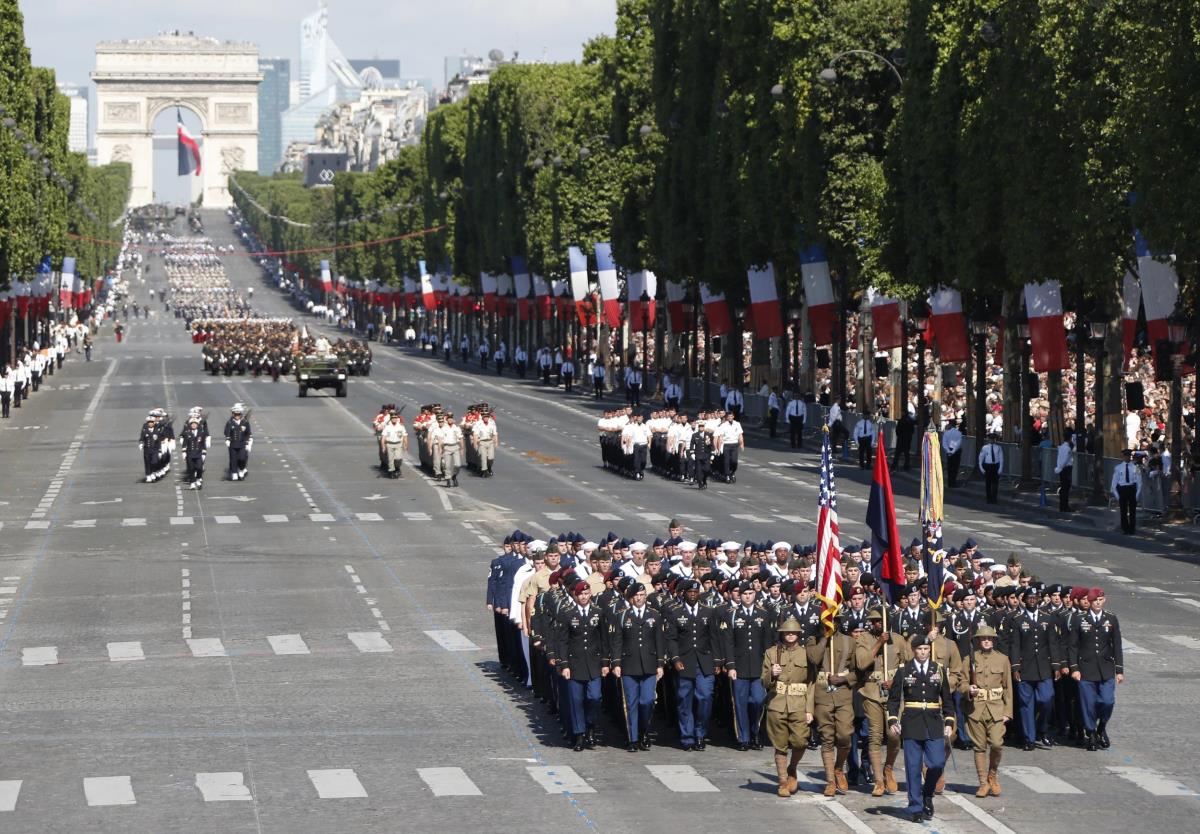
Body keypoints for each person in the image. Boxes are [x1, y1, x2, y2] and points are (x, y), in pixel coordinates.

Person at [886, 633, 956, 822]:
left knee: (937, 763)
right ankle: (915, 807)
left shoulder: (939, 670)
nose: (923, 652)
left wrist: (949, 722)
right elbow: (893, 700)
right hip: (911, 722)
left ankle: (927, 792)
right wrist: (893, 720)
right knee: (913, 767)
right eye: (920, 649)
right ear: (914, 650)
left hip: (933, 721)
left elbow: (947, 700)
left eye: (926, 649)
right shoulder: (904, 670)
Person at [551, 581, 610, 751]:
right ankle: (579, 734)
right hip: (574, 663)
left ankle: (591, 725)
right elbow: (562, 641)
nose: (584, 597)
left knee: (594, 697)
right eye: (581, 594)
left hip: (594, 664)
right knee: (576, 700)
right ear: (575, 596)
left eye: (586, 594)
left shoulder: (598, 612)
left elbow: (604, 639)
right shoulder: (567, 613)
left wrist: (606, 662)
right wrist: (564, 665)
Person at [762, 617, 816, 797]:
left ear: (799, 635)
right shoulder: (771, 652)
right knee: (780, 745)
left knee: (801, 741)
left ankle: (792, 767)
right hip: (777, 703)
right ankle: (783, 781)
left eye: (794, 633)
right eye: (787, 632)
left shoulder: (806, 653)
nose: (790, 635)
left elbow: (811, 683)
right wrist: (772, 673)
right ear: (782, 634)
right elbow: (763, 681)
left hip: (799, 704)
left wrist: (809, 709)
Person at [666, 579, 721, 751]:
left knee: (705, 697)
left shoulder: (708, 612)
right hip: (685, 662)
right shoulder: (675, 612)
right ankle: (687, 737)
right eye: (690, 592)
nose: (693, 595)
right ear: (684, 593)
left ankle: (700, 733)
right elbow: (671, 638)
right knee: (684, 701)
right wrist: (675, 659)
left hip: (705, 662)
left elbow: (714, 637)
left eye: (696, 592)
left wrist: (717, 661)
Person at [610, 582, 666, 751]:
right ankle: (632, 738)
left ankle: (644, 731)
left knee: (647, 701)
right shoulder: (622, 615)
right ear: (631, 598)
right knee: (630, 703)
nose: (639, 598)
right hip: (629, 664)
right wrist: (616, 663)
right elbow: (617, 641)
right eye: (636, 596)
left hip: (649, 665)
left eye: (642, 595)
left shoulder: (654, 615)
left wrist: (660, 664)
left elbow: (659, 641)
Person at [1067, 587, 1123, 751]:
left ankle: (1101, 726)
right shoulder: (1079, 619)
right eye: (1095, 600)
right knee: (1088, 704)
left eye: (1100, 600)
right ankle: (1091, 733)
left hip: (1106, 667)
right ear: (1089, 602)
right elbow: (1073, 646)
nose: (1098, 603)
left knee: (1107, 701)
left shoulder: (1111, 618)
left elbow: (1117, 645)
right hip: (1085, 668)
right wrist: (1074, 668)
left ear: (1104, 600)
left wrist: (1119, 670)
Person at [810, 617, 858, 796]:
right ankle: (830, 780)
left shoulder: (849, 641)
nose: (831, 624)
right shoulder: (813, 639)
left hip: (843, 694)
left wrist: (845, 679)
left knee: (845, 735)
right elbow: (814, 659)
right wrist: (824, 638)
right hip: (822, 694)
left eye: (834, 621)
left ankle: (839, 768)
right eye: (826, 621)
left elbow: (857, 670)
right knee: (827, 738)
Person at [723, 582, 772, 750]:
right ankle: (743, 738)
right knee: (740, 703)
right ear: (739, 596)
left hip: (758, 666)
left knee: (759, 700)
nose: (748, 596)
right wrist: (730, 666)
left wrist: (769, 666)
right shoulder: (732, 614)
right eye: (744, 593)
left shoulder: (763, 614)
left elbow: (768, 642)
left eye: (751, 593)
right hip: (739, 666)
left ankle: (755, 732)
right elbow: (728, 642)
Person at [965, 625, 1012, 798]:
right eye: (983, 638)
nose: (986, 641)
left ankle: (993, 773)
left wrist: (1008, 711)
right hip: (976, 708)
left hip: (996, 708)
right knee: (979, 747)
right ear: (978, 641)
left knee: (997, 744)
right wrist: (968, 689)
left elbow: (1008, 687)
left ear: (993, 640)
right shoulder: (969, 659)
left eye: (989, 638)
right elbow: (961, 682)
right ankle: (983, 782)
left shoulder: (1002, 659)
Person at [1011, 587, 1059, 750]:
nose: (1032, 600)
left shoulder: (1048, 617)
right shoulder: (1017, 619)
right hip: (1025, 667)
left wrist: (1056, 665)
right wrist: (1015, 667)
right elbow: (1015, 645)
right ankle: (1029, 738)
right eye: (1029, 598)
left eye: (1035, 597)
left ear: (1038, 599)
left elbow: (1053, 643)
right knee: (1026, 704)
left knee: (1047, 698)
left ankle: (1042, 727)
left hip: (1044, 667)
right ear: (1024, 600)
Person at [1110, 449, 1142, 534]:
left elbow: (1139, 482)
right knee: (1123, 511)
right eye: (1126, 456)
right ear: (1123, 456)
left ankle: (1132, 529)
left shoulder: (1135, 467)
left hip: (1131, 489)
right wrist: (1117, 496)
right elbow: (1114, 483)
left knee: (1132, 511)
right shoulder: (1118, 468)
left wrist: (1137, 494)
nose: (1128, 457)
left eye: (1129, 456)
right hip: (1122, 489)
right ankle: (1125, 528)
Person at [224, 403, 252, 481]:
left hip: (242, 444)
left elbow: (248, 433)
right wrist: (228, 439)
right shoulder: (230, 422)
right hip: (233, 444)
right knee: (233, 459)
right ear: (233, 414)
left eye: (238, 414)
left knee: (242, 458)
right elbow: (227, 432)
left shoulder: (245, 422)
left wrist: (247, 443)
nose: (237, 416)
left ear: (241, 414)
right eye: (235, 414)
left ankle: (241, 469)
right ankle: (234, 473)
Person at [180, 414, 209, 489]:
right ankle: (192, 482)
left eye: (195, 424)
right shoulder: (187, 433)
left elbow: (203, 443)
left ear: (197, 425)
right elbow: (184, 443)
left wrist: (204, 452)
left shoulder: (201, 433)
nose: (193, 425)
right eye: (192, 424)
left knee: (199, 468)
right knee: (191, 468)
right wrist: (183, 453)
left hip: (198, 454)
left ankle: (199, 478)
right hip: (189, 454)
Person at [438, 412, 464, 487]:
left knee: (458, 464)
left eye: (451, 419)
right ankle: (448, 479)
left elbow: (461, 438)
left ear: (453, 419)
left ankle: (454, 476)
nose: (450, 420)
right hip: (447, 447)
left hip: (455, 446)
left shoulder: (456, 428)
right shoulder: (443, 428)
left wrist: (462, 448)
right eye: (449, 419)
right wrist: (440, 449)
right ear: (447, 420)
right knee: (447, 465)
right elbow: (440, 439)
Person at [380, 412, 409, 479]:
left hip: (398, 444)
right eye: (393, 418)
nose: (394, 419)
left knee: (398, 458)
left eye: (395, 418)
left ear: (397, 418)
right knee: (390, 459)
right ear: (391, 419)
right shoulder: (387, 427)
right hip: (389, 444)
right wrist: (383, 446)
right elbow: (383, 437)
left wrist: (406, 445)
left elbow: (405, 436)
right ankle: (391, 471)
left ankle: (397, 468)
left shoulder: (401, 427)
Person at [978, 434, 1004, 504]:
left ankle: (994, 498)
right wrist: (981, 467)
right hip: (988, 466)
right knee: (988, 483)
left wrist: (1000, 468)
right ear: (988, 439)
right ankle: (988, 498)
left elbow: (1001, 458)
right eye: (990, 439)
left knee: (995, 483)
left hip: (995, 466)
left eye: (993, 439)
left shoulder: (998, 448)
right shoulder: (985, 448)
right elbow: (981, 458)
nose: (992, 440)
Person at [472, 409, 498, 476]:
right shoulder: (478, 424)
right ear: (482, 417)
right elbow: (475, 435)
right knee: (483, 457)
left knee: (490, 458)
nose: (486, 418)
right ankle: (484, 470)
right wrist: (475, 444)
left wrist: (496, 442)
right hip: (482, 442)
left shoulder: (492, 423)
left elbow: (495, 434)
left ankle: (489, 467)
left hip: (490, 442)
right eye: (484, 417)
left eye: (487, 417)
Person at [1055, 431, 1075, 512]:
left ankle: (1062, 505)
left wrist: (1059, 467)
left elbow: (1059, 458)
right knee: (1066, 488)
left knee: (1063, 488)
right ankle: (1065, 506)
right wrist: (1061, 467)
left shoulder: (1061, 447)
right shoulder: (1067, 448)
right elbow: (1066, 459)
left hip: (1062, 468)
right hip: (1066, 468)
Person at [943, 420, 963, 486]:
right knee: (955, 467)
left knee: (950, 466)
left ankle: (950, 481)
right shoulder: (959, 433)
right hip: (956, 451)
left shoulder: (946, 433)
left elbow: (944, 443)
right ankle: (953, 481)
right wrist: (953, 451)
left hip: (949, 449)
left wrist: (949, 451)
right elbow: (958, 444)